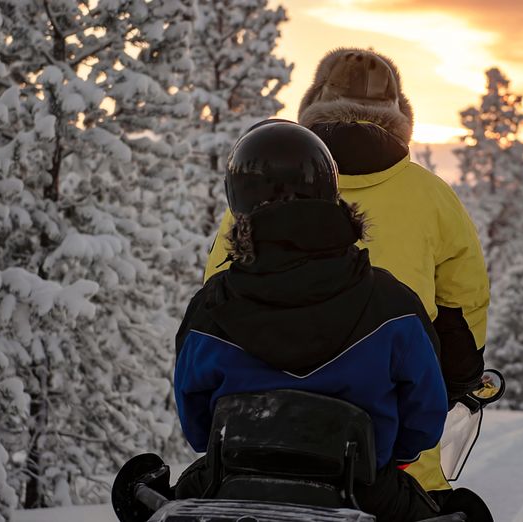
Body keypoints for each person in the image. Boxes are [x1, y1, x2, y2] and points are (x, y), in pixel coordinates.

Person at [204, 48, 490, 496]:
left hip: (256, 441)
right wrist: (457, 380)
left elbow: (217, 295)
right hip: (390, 443)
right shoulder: (431, 197)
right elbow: (463, 304)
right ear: (399, 116)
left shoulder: (262, 192)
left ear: (315, 102)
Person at [174, 120, 448, 521]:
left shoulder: (210, 308)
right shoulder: (393, 305)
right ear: (328, 191)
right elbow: (424, 420)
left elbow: (197, 427)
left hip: (233, 486)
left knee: (154, 498)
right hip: (365, 491)